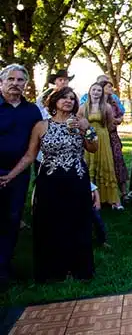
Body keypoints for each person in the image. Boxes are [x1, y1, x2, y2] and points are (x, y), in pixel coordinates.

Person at [0, 87, 96, 282]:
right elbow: (30, 155)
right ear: (54, 102)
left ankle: (78, 268)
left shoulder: (82, 123)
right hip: (50, 180)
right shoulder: (41, 126)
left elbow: (93, 148)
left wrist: (85, 130)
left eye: (72, 98)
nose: (68, 101)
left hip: (76, 178)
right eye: (64, 98)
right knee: (51, 223)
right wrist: (11, 175)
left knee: (77, 222)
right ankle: (53, 270)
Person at [0, 64, 43, 287]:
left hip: (18, 174)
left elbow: (35, 146)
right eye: (11, 79)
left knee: (12, 219)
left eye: (20, 80)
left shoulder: (32, 111)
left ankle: (4, 268)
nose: (16, 84)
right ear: (2, 82)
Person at [78, 82, 121, 209]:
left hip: (102, 137)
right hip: (88, 137)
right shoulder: (83, 107)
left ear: (102, 93)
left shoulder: (106, 107)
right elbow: (79, 121)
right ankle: (90, 198)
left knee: (105, 164)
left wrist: (102, 133)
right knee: (89, 165)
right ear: (89, 91)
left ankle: (111, 199)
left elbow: (110, 123)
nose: (96, 92)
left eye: (99, 90)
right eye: (94, 90)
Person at [101, 80, 128, 201]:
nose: (111, 88)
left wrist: (118, 120)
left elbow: (121, 115)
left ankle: (123, 192)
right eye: (109, 86)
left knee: (118, 160)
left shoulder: (114, 101)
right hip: (102, 135)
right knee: (105, 162)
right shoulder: (97, 103)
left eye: (111, 86)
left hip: (113, 135)